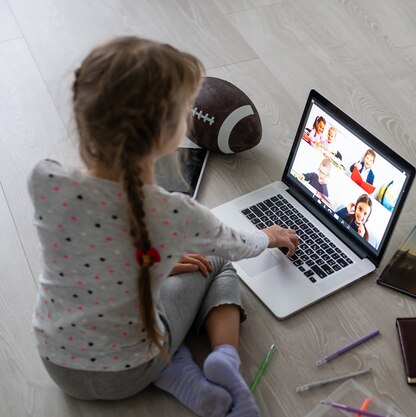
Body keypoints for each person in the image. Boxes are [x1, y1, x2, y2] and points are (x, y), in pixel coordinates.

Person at [27, 36, 298, 417]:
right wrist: (269, 236)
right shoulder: (174, 213)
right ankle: (225, 358)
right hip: (131, 369)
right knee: (217, 263)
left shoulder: (44, 179)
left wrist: (156, 262)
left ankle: (178, 373)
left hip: (56, 362)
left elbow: (97, 245)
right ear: (167, 135)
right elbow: (239, 245)